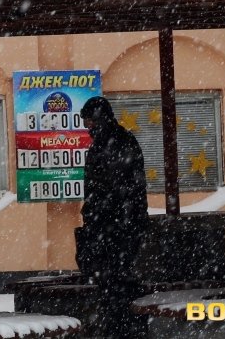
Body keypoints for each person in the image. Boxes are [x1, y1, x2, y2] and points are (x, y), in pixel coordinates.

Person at [77, 95, 149, 339]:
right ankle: (123, 329)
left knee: (116, 286)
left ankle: (120, 330)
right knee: (118, 286)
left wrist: (96, 217)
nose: (87, 127)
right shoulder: (116, 141)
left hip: (115, 230)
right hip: (118, 228)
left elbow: (113, 190)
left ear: (100, 119)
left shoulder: (113, 144)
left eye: (89, 121)